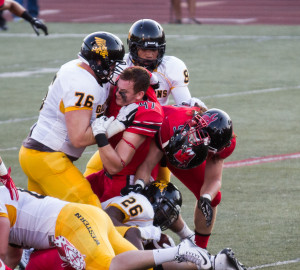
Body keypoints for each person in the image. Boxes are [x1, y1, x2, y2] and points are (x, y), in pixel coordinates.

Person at [84, 18, 206, 176]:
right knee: (93, 172)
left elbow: (182, 107)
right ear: (134, 49)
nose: (149, 55)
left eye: (153, 51)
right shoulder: (120, 65)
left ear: (161, 50)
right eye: (143, 50)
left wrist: (192, 108)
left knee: (158, 184)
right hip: (124, 133)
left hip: (154, 135)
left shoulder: (172, 67)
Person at [18, 31, 126, 208]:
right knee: (91, 212)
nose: (114, 69)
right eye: (112, 64)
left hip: (38, 154)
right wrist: (117, 125)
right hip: (47, 157)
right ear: (98, 61)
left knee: (46, 226)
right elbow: (78, 138)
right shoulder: (82, 83)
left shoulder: (81, 70)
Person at [0, 186, 213, 270]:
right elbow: (10, 256)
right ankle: (213, 263)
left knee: (111, 267)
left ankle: (179, 251)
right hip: (80, 218)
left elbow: (1, 251)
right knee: (140, 265)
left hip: (70, 225)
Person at [128, 105, 237, 250]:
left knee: (212, 198)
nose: (193, 134)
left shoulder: (225, 144)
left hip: (184, 155)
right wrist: (138, 186)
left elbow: (214, 180)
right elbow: (147, 164)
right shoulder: (171, 123)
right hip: (155, 139)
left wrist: (206, 197)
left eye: (200, 137)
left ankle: (199, 250)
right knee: (151, 194)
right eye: (196, 129)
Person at [86, 66, 164, 203]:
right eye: (117, 88)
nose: (117, 94)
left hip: (127, 178)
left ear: (140, 95)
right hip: (107, 173)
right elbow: (141, 73)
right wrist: (153, 77)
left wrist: (100, 134)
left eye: (123, 92)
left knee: (106, 219)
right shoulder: (127, 87)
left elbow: (115, 166)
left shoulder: (147, 113)